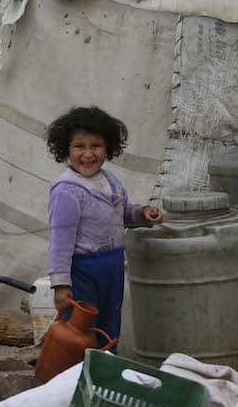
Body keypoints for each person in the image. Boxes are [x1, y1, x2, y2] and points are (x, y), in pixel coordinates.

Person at [45, 106, 162, 346]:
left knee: (110, 328)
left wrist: (142, 214)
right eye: (79, 146)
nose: (88, 154)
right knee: (81, 331)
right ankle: (78, 377)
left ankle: (105, 373)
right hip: (84, 271)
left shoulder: (111, 182)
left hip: (112, 267)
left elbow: (121, 214)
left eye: (95, 146)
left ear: (107, 147)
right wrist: (61, 284)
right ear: (66, 149)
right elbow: (60, 242)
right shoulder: (67, 190)